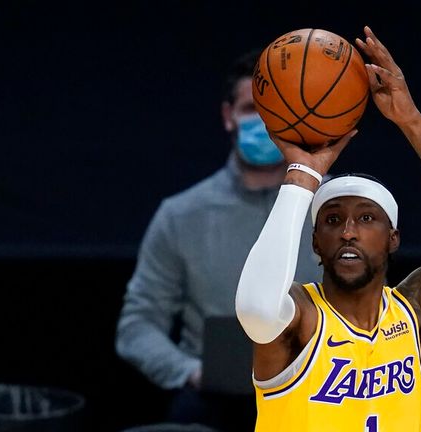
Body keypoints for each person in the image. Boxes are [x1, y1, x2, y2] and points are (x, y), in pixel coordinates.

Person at [235, 25, 421, 432]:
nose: (349, 231)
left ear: (393, 239)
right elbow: (256, 308)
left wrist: (411, 120)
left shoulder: (415, 315)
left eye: (367, 218)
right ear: (316, 243)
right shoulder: (301, 320)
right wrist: (302, 176)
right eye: (333, 220)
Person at [114, 48, 323, 431]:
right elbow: (137, 324)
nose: (263, 122)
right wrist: (189, 370)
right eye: (250, 110)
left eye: (274, 112)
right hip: (215, 402)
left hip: (319, 394)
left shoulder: (332, 211)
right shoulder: (181, 215)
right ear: (229, 117)